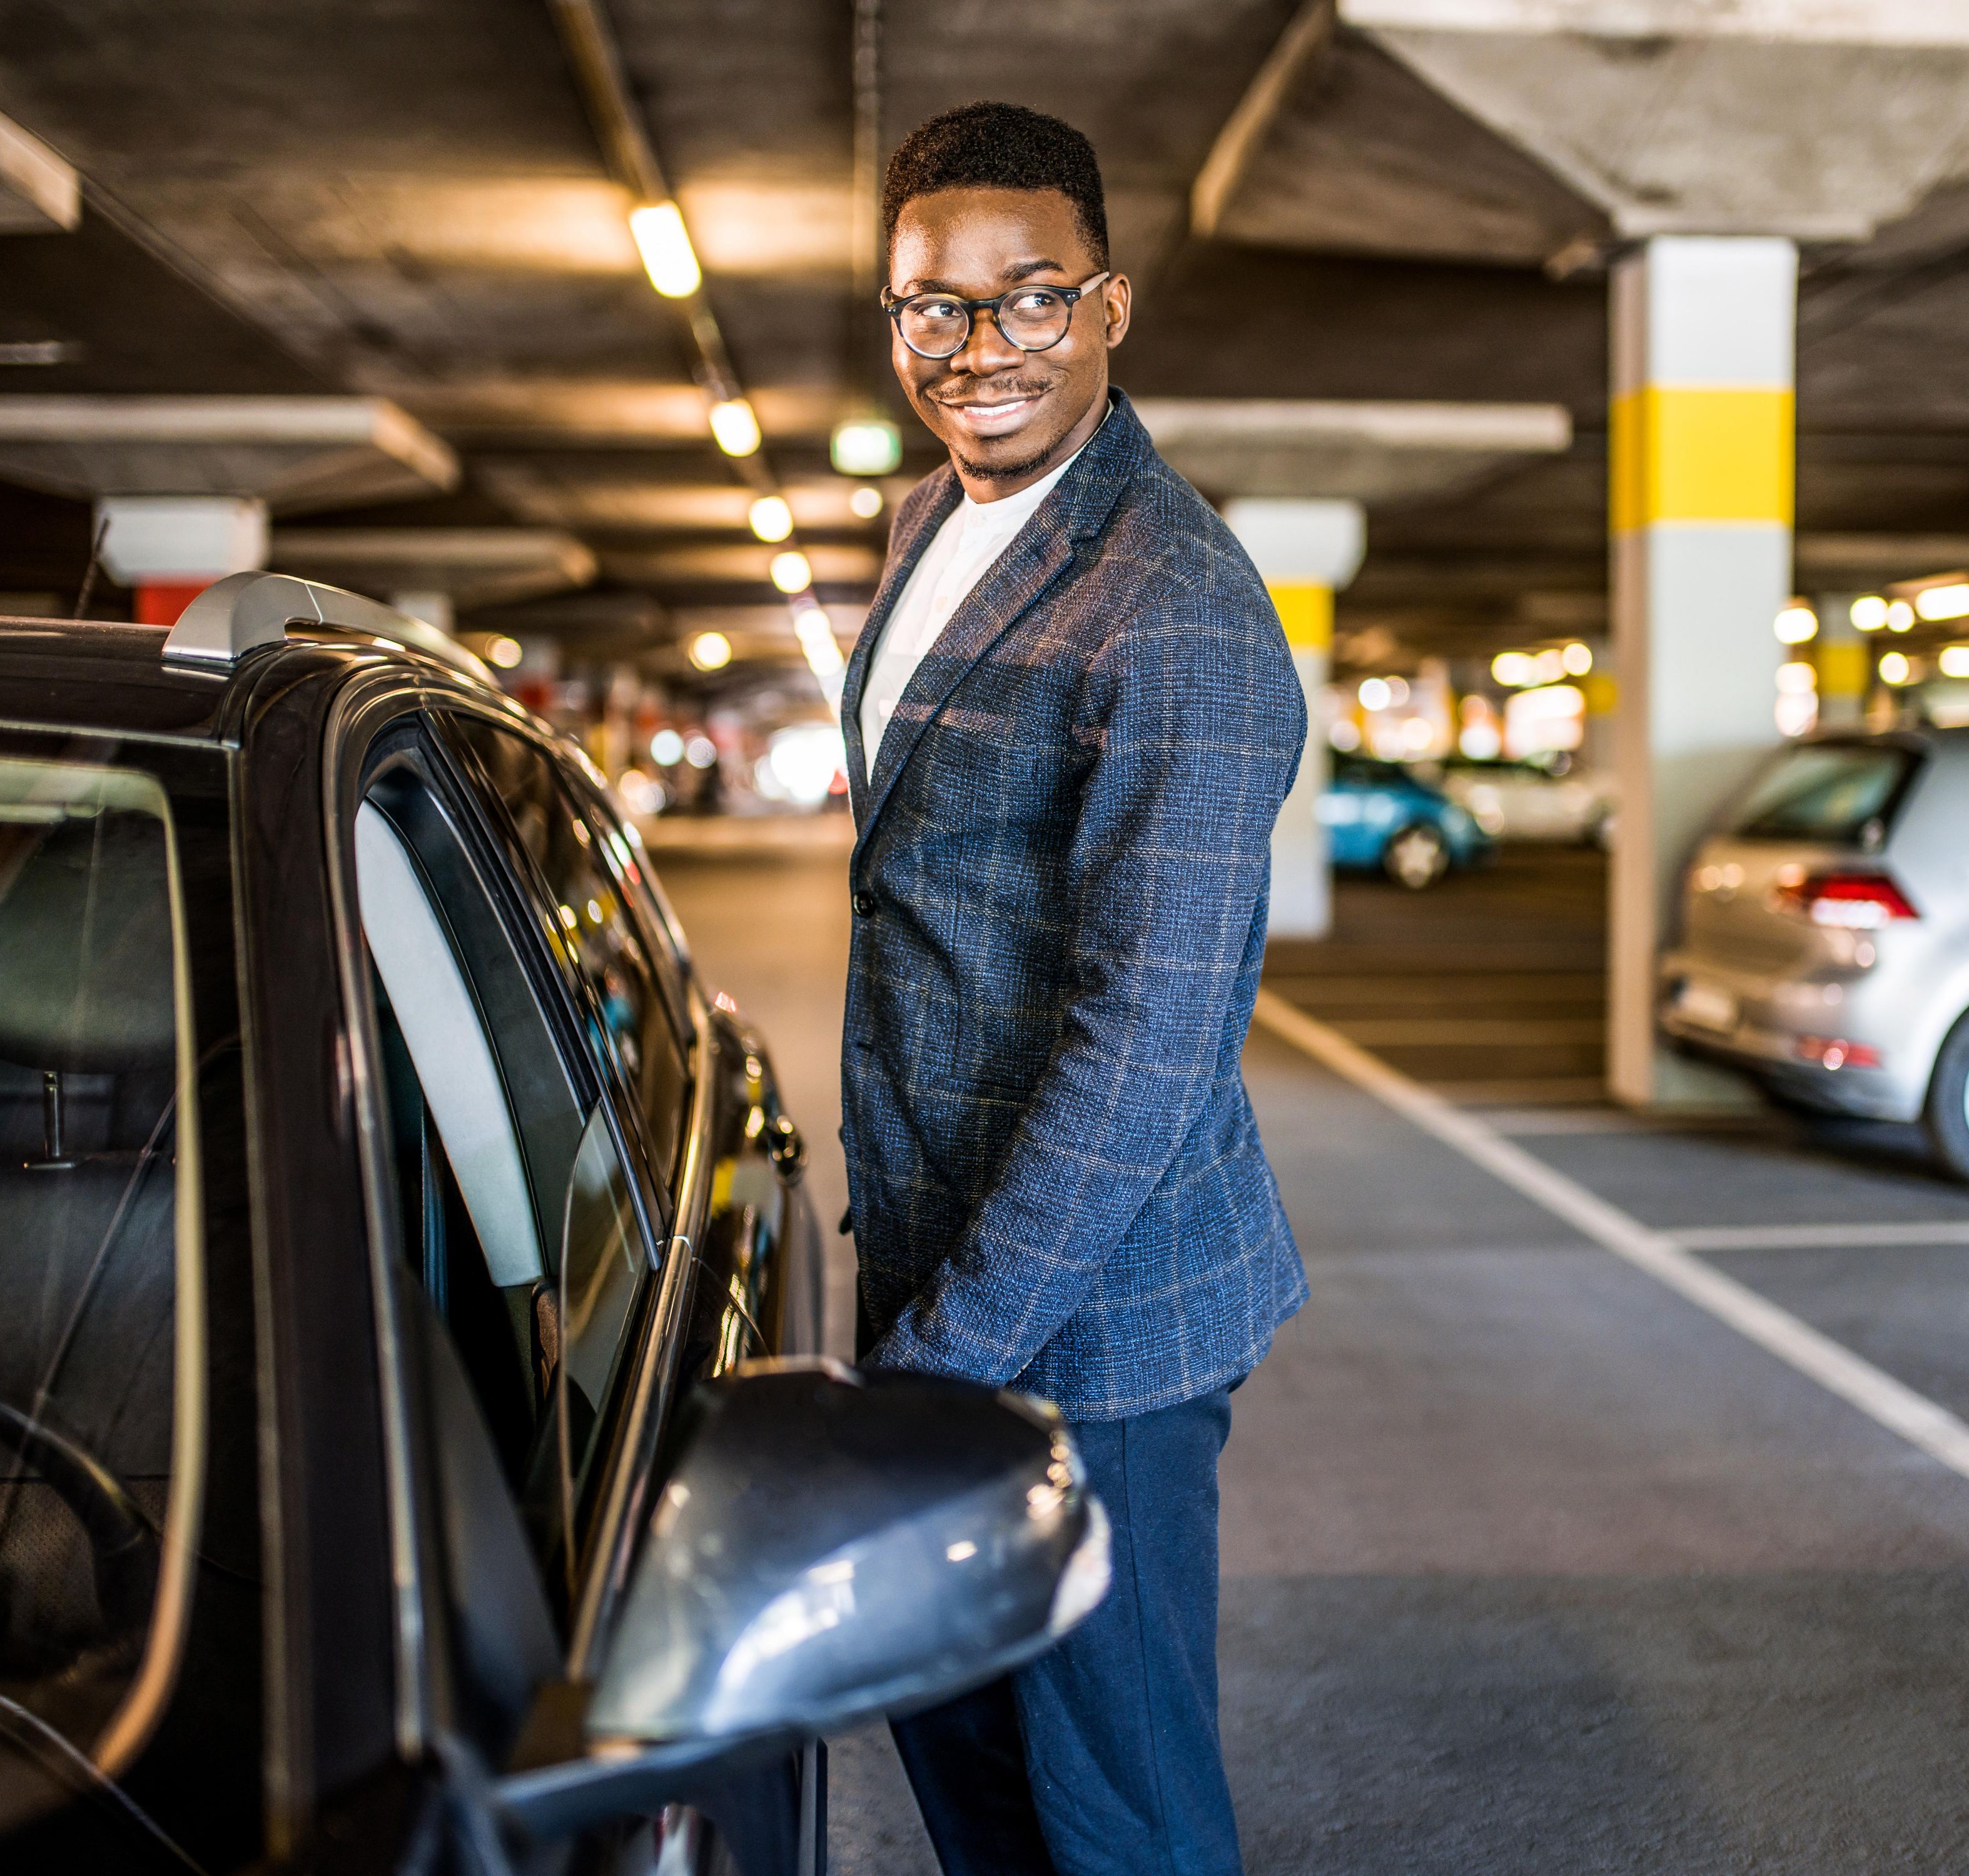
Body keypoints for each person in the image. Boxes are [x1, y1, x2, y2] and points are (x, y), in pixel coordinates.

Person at [838, 100, 1307, 1876]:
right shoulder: (924, 525)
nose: (980, 348)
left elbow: (1150, 1043)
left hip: (1090, 1324)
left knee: (1117, 1806)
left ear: (1113, 308)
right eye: (933, 307)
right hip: (941, 1263)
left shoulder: (1170, 604)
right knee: (957, 1739)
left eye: (1033, 298)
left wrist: (947, 1361)